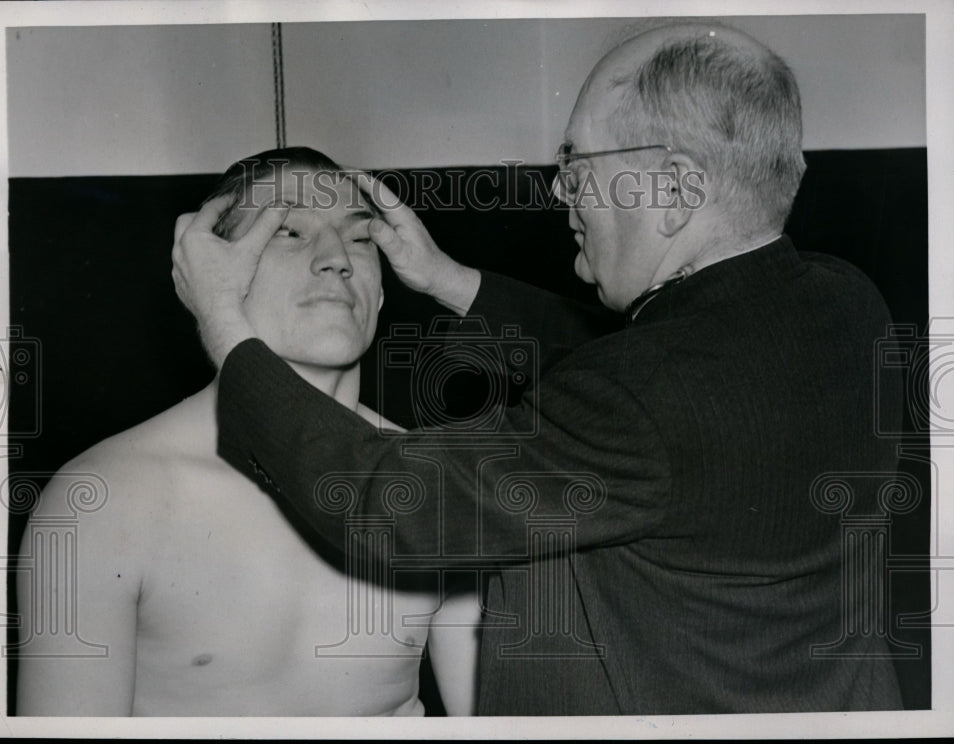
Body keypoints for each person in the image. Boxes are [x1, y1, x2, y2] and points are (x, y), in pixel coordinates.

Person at [172, 24, 905, 714]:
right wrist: (450, 279)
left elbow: (384, 505)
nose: (560, 192)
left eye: (577, 164)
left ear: (676, 193)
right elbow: (654, 370)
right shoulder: (844, 301)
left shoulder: (641, 397)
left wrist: (226, 325)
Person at [16, 147, 480, 716]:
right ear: (215, 276)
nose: (336, 258)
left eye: (360, 239)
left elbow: (494, 728)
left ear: (381, 292)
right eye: (288, 231)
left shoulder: (439, 485)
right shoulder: (103, 500)